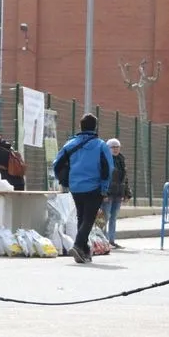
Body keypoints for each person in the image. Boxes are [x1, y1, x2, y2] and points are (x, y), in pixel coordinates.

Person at [52, 113, 114, 263]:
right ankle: (78, 245)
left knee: (82, 217)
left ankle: (84, 251)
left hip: (76, 187)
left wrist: (64, 181)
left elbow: (57, 164)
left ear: (80, 126)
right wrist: (104, 187)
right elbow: (108, 168)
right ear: (95, 127)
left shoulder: (70, 144)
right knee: (88, 219)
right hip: (94, 187)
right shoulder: (101, 145)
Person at [101, 138, 131, 248]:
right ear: (108, 148)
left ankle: (111, 241)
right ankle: (103, 241)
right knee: (104, 218)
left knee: (113, 218)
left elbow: (125, 178)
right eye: (113, 147)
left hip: (118, 194)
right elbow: (102, 177)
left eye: (117, 147)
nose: (115, 149)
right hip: (108, 194)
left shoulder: (121, 160)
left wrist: (127, 193)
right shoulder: (104, 159)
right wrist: (104, 193)